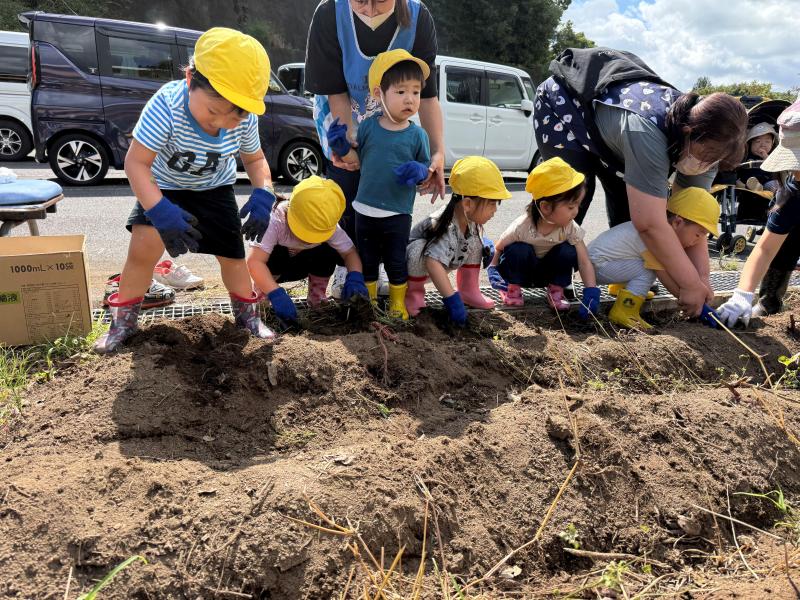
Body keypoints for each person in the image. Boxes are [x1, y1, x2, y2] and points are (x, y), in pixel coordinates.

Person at [94, 28, 277, 353]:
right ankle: (122, 325)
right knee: (142, 250)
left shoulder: (245, 117)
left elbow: (255, 159)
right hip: (164, 188)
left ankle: (248, 319)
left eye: (234, 116)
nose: (220, 123)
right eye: (212, 111)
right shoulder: (166, 105)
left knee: (233, 256)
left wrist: (265, 192)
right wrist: (158, 210)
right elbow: (136, 163)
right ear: (190, 79)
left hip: (216, 189)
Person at [535, 47, 748, 317]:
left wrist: (701, 280)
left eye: (714, 162)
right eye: (705, 157)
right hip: (565, 106)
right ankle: (552, 275)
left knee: (630, 205)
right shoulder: (648, 130)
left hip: (614, 133)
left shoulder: (710, 147)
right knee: (571, 194)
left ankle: (623, 277)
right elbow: (649, 224)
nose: (705, 166)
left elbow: (692, 218)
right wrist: (687, 284)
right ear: (688, 132)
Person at [304, 0, 445, 296]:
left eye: (379, 1)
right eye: (360, 1)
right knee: (347, 193)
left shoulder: (418, 18)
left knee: (385, 193)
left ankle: (376, 267)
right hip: (343, 119)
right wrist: (351, 146)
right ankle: (346, 269)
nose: (369, 9)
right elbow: (336, 92)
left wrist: (437, 153)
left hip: (391, 125)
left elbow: (428, 95)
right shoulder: (330, 14)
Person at [328, 49, 431, 319]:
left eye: (416, 92)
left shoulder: (417, 135)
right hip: (364, 209)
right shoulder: (368, 128)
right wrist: (341, 147)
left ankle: (397, 303)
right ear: (378, 93)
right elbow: (357, 160)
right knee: (368, 259)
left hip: (398, 212)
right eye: (401, 91)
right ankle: (371, 302)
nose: (410, 99)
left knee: (396, 260)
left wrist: (420, 170)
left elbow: (426, 170)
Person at [589, 187, 721, 329]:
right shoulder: (655, 240)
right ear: (677, 222)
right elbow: (665, 277)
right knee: (649, 269)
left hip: (605, 263)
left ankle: (624, 289)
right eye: (698, 235)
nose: (697, 242)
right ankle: (624, 310)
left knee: (646, 264)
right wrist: (694, 302)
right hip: (596, 267)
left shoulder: (658, 232)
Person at [717, 100, 800, 326]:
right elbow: (765, 248)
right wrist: (742, 295)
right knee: (787, 241)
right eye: (794, 166)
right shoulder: (792, 193)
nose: (796, 173)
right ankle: (769, 302)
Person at [246, 176, 369, 325]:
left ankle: (317, 297)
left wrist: (355, 276)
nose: (308, 240)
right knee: (271, 255)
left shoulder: (327, 224)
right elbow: (255, 262)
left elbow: (349, 253)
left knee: (329, 249)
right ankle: (262, 298)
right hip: (273, 269)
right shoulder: (275, 220)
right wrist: (275, 293)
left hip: (304, 265)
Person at [487, 157, 600, 317]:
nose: (576, 212)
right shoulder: (522, 226)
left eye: (577, 205)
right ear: (546, 207)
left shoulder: (569, 227)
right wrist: (493, 269)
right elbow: (499, 248)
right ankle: (512, 290)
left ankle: (556, 291)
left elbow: (584, 261)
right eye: (570, 207)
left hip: (548, 276)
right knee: (517, 249)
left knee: (568, 250)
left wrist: (591, 291)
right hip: (522, 275)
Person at [405, 156, 511, 324]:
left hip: (440, 263)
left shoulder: (469, 220)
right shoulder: (445, 225)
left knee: (476, 242)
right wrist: (451, 300)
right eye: (492, 203)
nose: (495, 210)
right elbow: (432, 263)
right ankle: (414, 295)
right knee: (418, 250)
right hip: (415, 270)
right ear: (467, 204)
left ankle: (468, 291)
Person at [738, 122, 780, 193]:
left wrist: (766, 157)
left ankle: (769, 190)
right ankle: (755, 187)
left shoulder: (772, 156)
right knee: (741, 181)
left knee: (774, 184)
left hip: (766, 181)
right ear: (750, 144)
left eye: (767, 142)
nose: (763, 145)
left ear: (772, 145)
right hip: (748, 180)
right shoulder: (745, 155)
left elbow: (776, 170)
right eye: (758, 141)